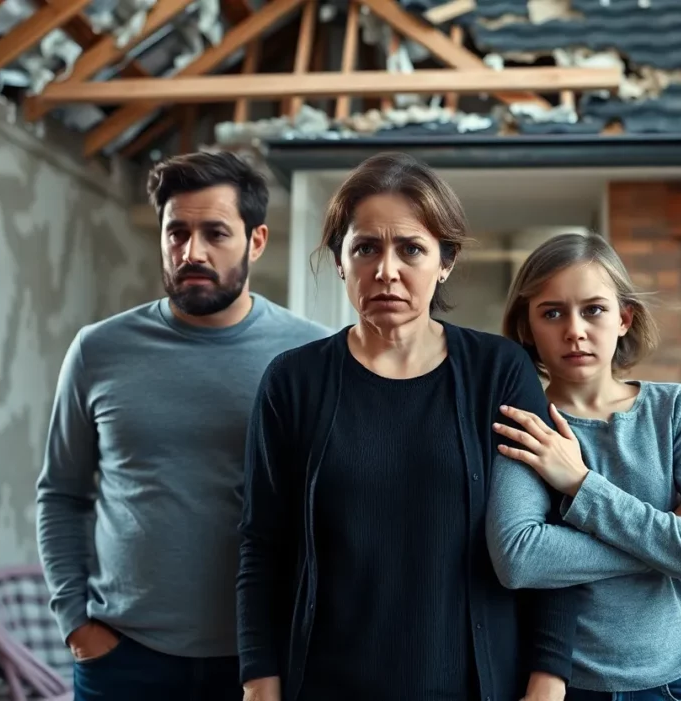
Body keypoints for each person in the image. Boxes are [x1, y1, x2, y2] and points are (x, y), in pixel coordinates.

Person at [236, 152, 581, 701]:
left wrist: (548, 679)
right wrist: (259, 683)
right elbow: (263, 546)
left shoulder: (498, 373)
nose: (386, 271)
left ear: (446, 261)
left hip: (476, 685)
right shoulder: (293, 382)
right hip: (324, 685)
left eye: (411, 249)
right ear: (341, 260)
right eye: (366, 248)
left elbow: (549, 534)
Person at [36, 150, 330, 701]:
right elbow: (61, 493)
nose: (192, 252)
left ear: (256, 241)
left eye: (215, 233)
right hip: (123, 658)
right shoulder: (98, 350)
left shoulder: (312, 355)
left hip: (262, 659)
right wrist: (75, 621)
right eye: (177, 233)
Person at [485, 232, 681, 701]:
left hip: (677, 680)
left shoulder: (676, 409)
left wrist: (582, 484)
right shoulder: (526, 425)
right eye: (552, 313)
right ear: (527, 327)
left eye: (593, 309)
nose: (575, 330)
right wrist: (669, 544)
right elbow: (519, 559)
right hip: (570, 686)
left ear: (624, 317)